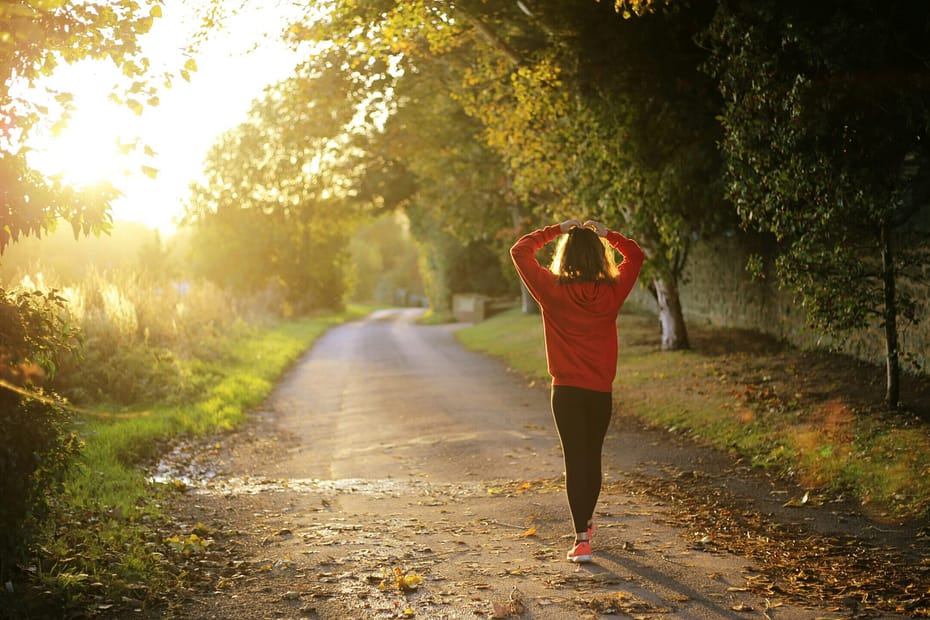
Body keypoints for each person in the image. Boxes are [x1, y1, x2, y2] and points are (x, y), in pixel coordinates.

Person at [510, 218, 644, 563]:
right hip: (599, 391)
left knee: (575, 460)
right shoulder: (612, 292)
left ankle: (581, 538)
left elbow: (520, 251)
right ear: (600, 257)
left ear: (565, 256)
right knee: (592, 457)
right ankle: (585, 523)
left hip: (566, 392)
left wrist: (556, 230)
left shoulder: (551, 290)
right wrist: (608, 234)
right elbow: (636, 255)